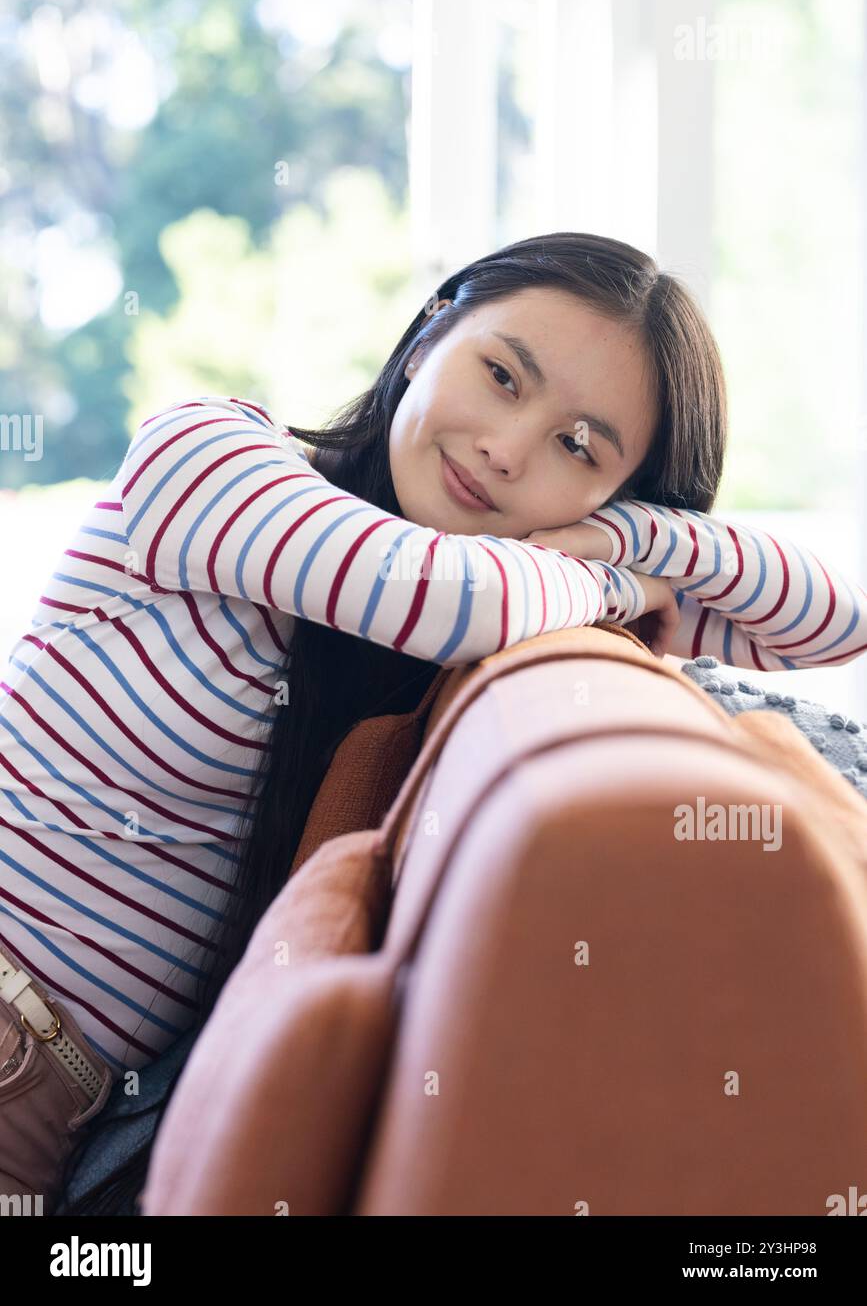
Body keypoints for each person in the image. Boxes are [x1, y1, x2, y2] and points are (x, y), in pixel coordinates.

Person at [2, 231, 863, 1214]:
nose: (507, 448)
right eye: (501, 375)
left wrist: (622, 526)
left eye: (578, 445)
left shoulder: (515, 586)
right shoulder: (206, 459)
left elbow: (831, 621)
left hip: (64, 1115)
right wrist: (612, 564)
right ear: (427, 339)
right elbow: (437, 597)